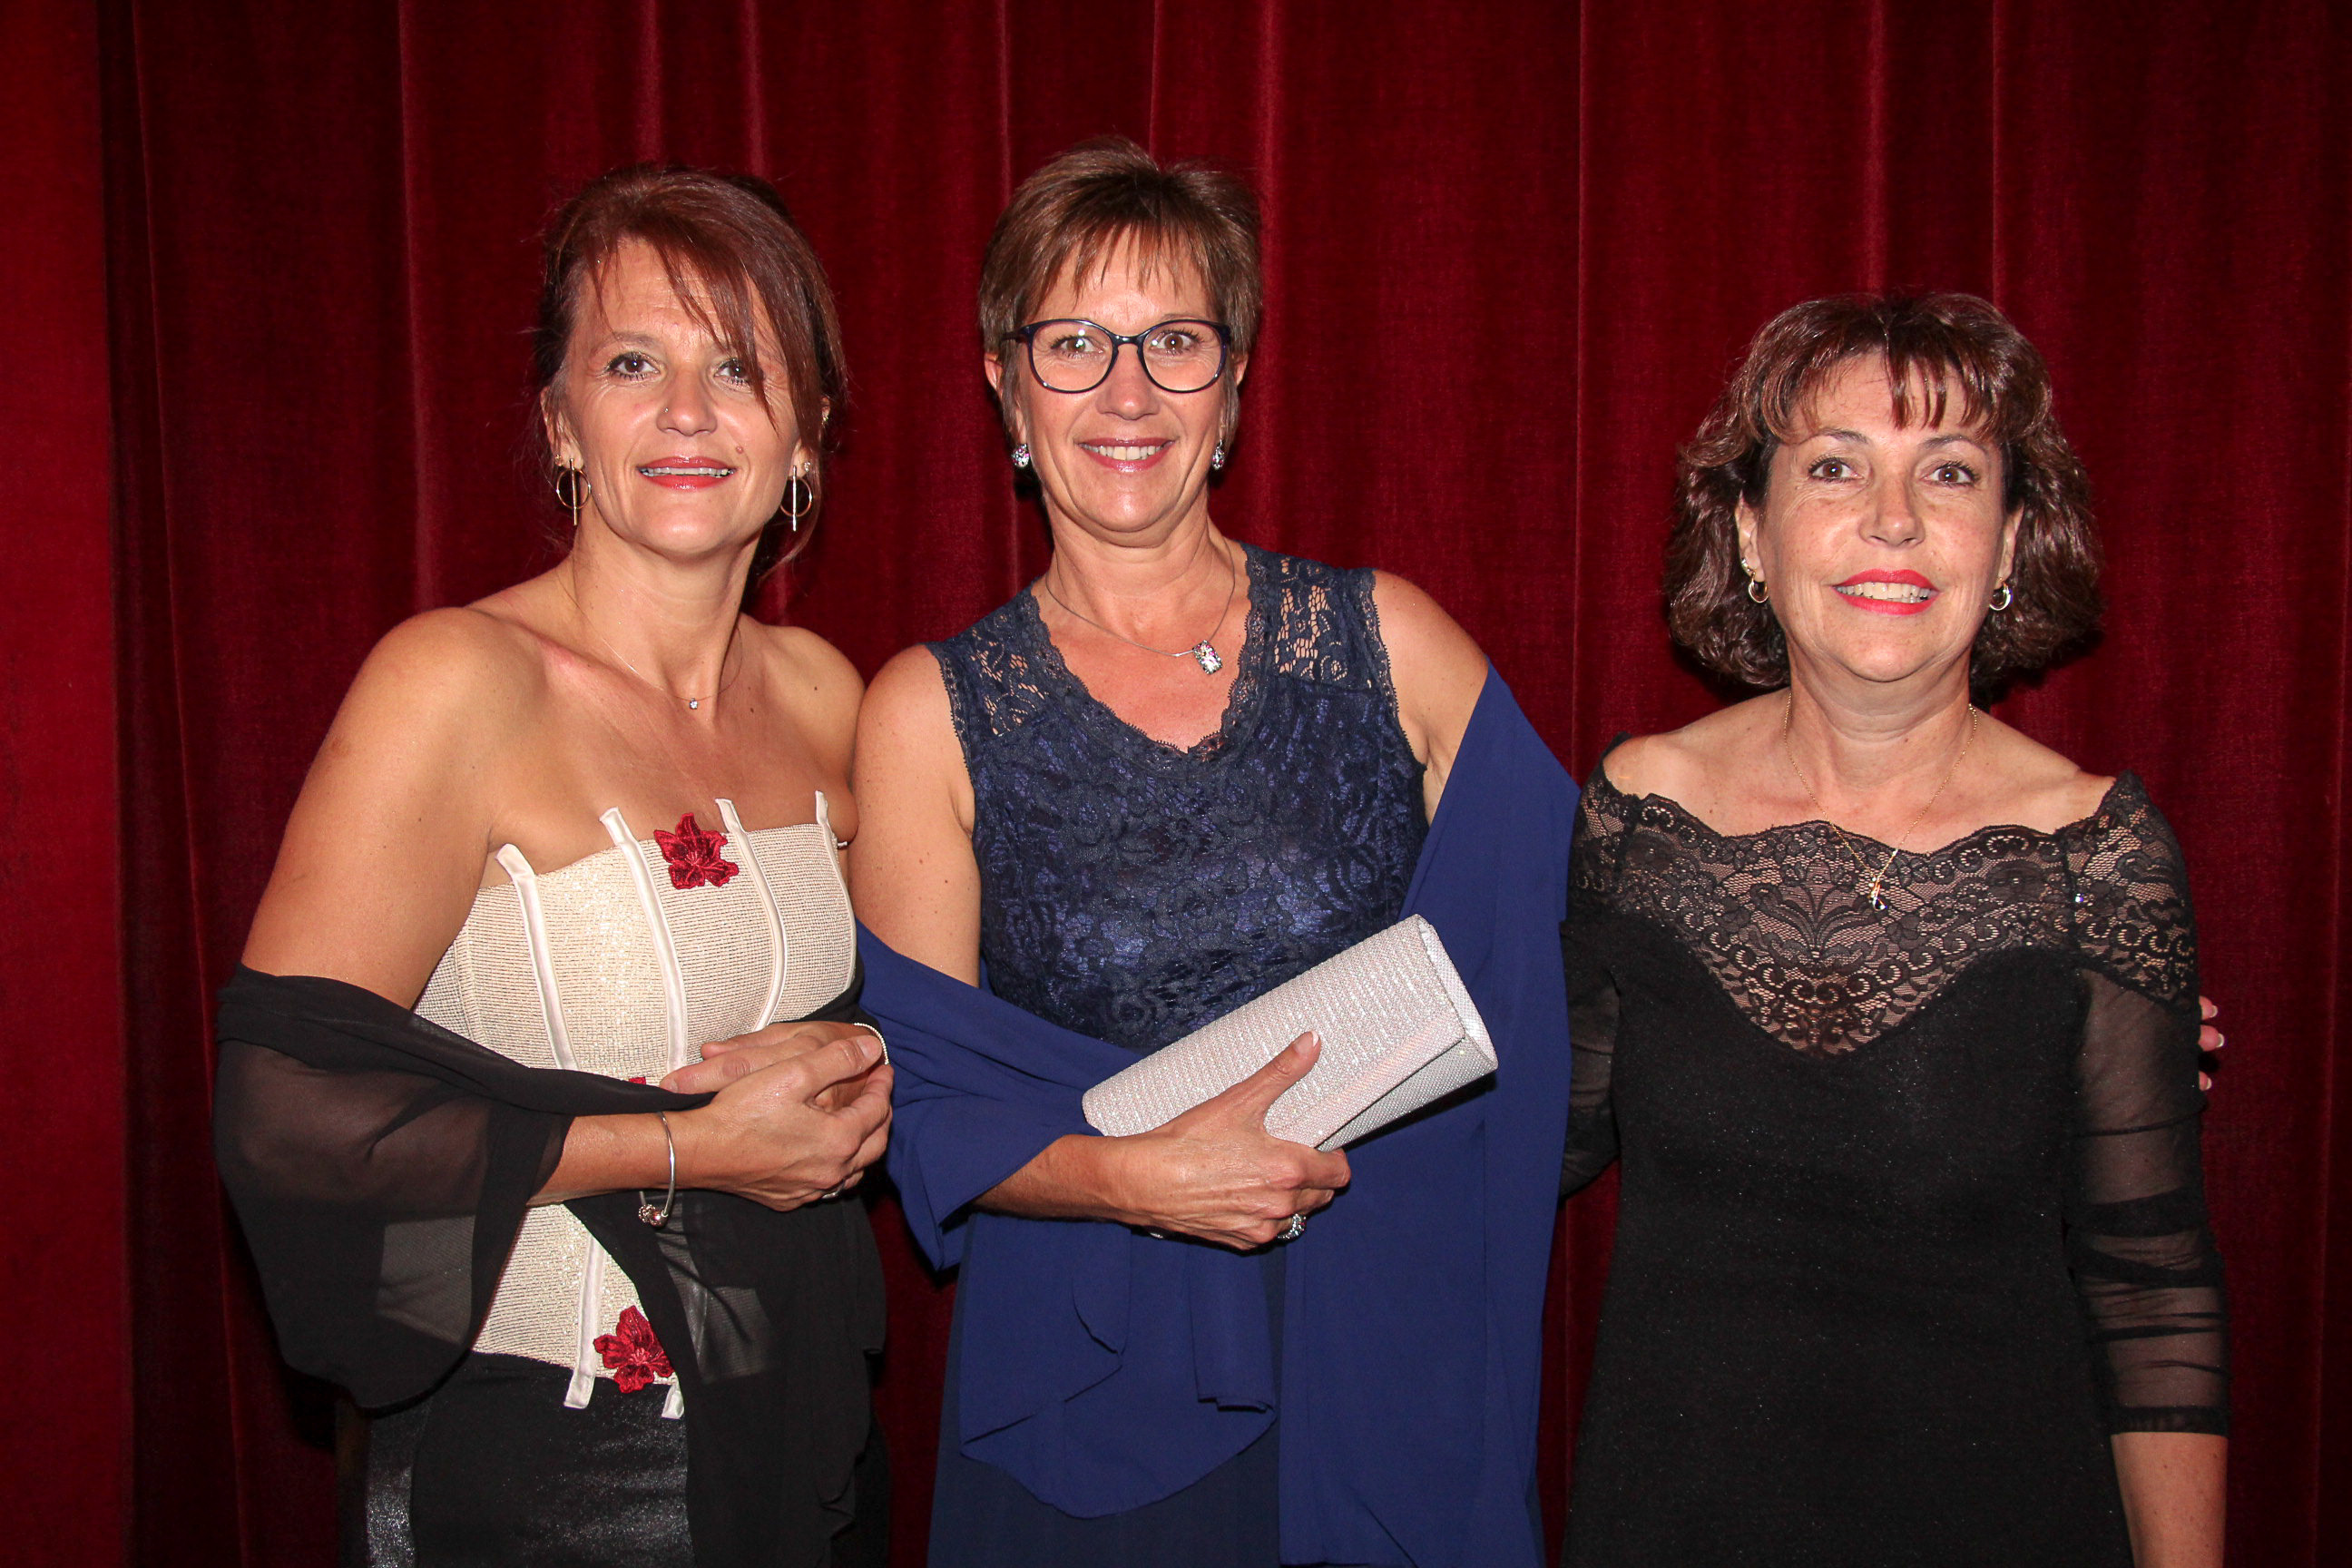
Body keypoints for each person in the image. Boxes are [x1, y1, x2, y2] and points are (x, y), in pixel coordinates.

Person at [838, 138, 1577, 1567]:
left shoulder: (1390, 639)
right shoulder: (926, 710)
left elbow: (1578, 954)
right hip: (1100, 1373)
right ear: (1005, 385)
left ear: (1231, 387)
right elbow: (922, 1107)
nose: (1127, 391)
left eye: (1175, 341)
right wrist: (1134, 1180)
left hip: (1388, 1352)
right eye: (1074, 343)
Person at [212, 166, 894, 1567]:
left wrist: (864, 1072)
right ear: (561, 422)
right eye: (633, 363)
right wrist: (691, 1149)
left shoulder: (830, 693)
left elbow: (908, 1017)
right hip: (544, 1467)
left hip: (800, 1437)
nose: (688, 410)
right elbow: (286, 1120)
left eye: (740, 368)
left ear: (810, 430)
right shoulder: (453, 682)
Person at [1558, 293, 2228, 1566]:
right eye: (1834, 466)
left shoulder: (2096, 854)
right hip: (1675, 1516)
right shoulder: (1640, 814)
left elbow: (2154, 1293)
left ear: (2010, 538)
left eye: (1951, 472)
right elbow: (1538, 1139)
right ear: (1750, 533)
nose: (1895, 518)